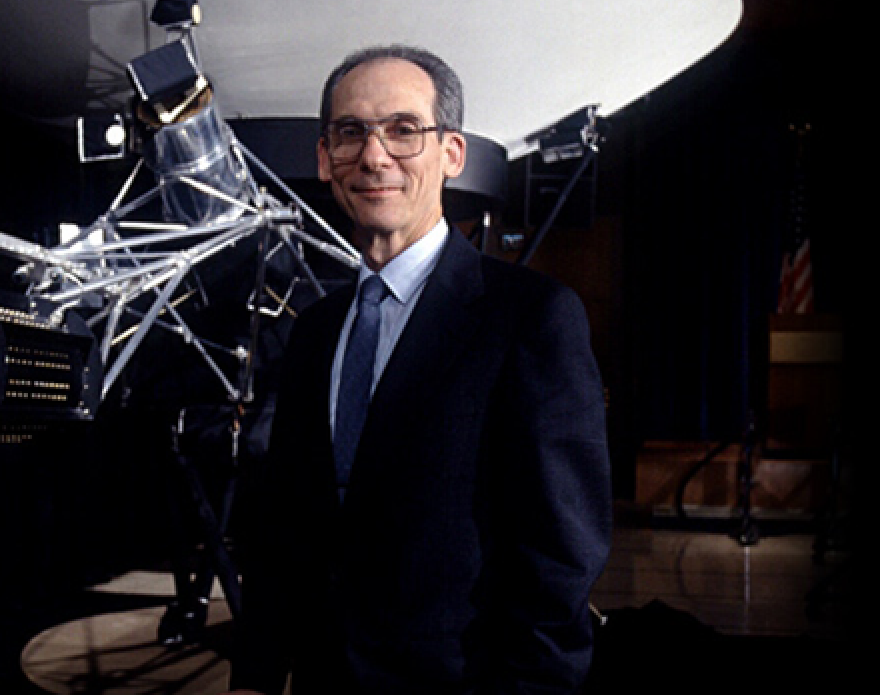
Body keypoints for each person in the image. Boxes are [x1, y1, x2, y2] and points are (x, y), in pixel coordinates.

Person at [224, 45, 612, 694]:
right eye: (351, 133)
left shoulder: (530, 319)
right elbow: (284, 530)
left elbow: (559, 561)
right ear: (325, 158)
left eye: (404, 130)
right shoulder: (316, 331)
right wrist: (255, 675)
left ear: (451, 154)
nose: (375, 156)